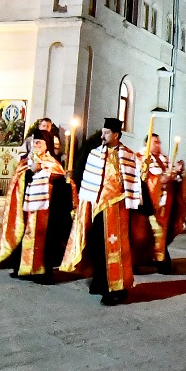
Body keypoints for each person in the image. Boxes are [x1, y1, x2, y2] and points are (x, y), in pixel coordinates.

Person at [59, 117, 143, 305]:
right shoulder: (95, 154)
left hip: (117, 208)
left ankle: (117, 288)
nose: (102, 136)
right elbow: (88, 182)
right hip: (96, 207)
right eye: (103, 132)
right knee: (97, 247)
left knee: (115, 249)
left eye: (106, 133)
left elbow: (133, 183)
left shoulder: (128, 156)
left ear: (116, 135)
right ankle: (99, 280)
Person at [0, 130, 75, 280]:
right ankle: (22, 268)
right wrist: (29, 173)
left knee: (44, 239)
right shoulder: (25, 163)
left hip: (46, 211)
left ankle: (41, 271)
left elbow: (61, 186)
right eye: (34, 142)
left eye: (39, 142)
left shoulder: (53, 163)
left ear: (47, 145)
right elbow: (16, 184)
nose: (36, 145)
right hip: (27, 210)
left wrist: (65, 180)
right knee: (26, 235)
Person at [135, 134, 186, 275]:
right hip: (150, 204)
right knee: (150, 233)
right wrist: (161, 180)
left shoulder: (164, 159)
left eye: (159, 142)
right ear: (147, 144)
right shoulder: (140, 158)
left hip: (167, 204)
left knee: (162, 233)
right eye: (155, 142)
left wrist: (178, 172)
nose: (158, 145)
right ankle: (160, 261)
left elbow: (171, 176)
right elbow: (142, 179)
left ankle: (157, 258)